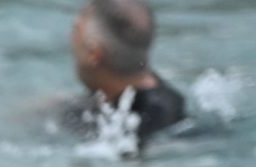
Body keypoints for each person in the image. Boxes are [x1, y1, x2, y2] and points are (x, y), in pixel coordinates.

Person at [61, 0, 186, 147]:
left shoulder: (138, 133)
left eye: (75, 31)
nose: (70, 38)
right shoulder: (167, 103)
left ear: (94, 55)